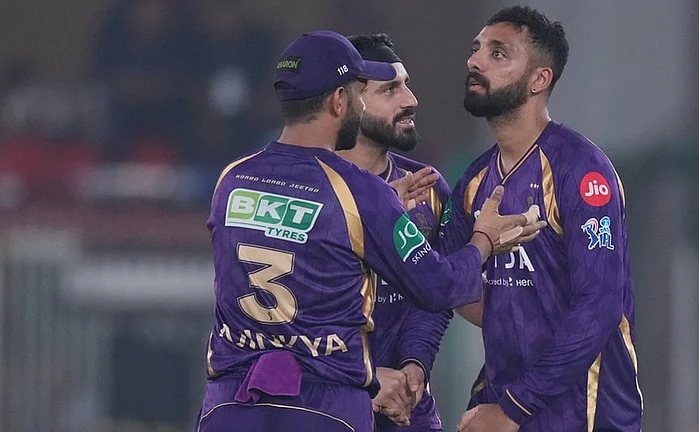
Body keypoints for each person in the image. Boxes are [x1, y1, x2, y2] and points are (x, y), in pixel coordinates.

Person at [195, 30, 545, 432]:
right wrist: (484, 239)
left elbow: (292, 260)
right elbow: (442, 286)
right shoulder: (361, 194)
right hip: (326, 406)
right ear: (340, 100)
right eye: (364, 94)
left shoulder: (231, 180)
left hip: (231, 406)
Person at [440, 6, 643, 432]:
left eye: (498, 54)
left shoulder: (582, 171)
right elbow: (446, 283)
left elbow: (600, 305)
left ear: (539, 79)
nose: (475, 61)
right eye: (476, 49)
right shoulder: (474, 180)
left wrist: (515, 407)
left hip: (586, 414)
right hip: (504, 405)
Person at [338, 33, 450, 431]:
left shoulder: (430, 190)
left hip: (407, 409)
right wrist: (365, 378)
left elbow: (434, 298)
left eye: (407, 85)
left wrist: (415, 365)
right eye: (391, 89)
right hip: (326, 406)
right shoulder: (307, 188)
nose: (411, 100)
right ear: (348, 100)